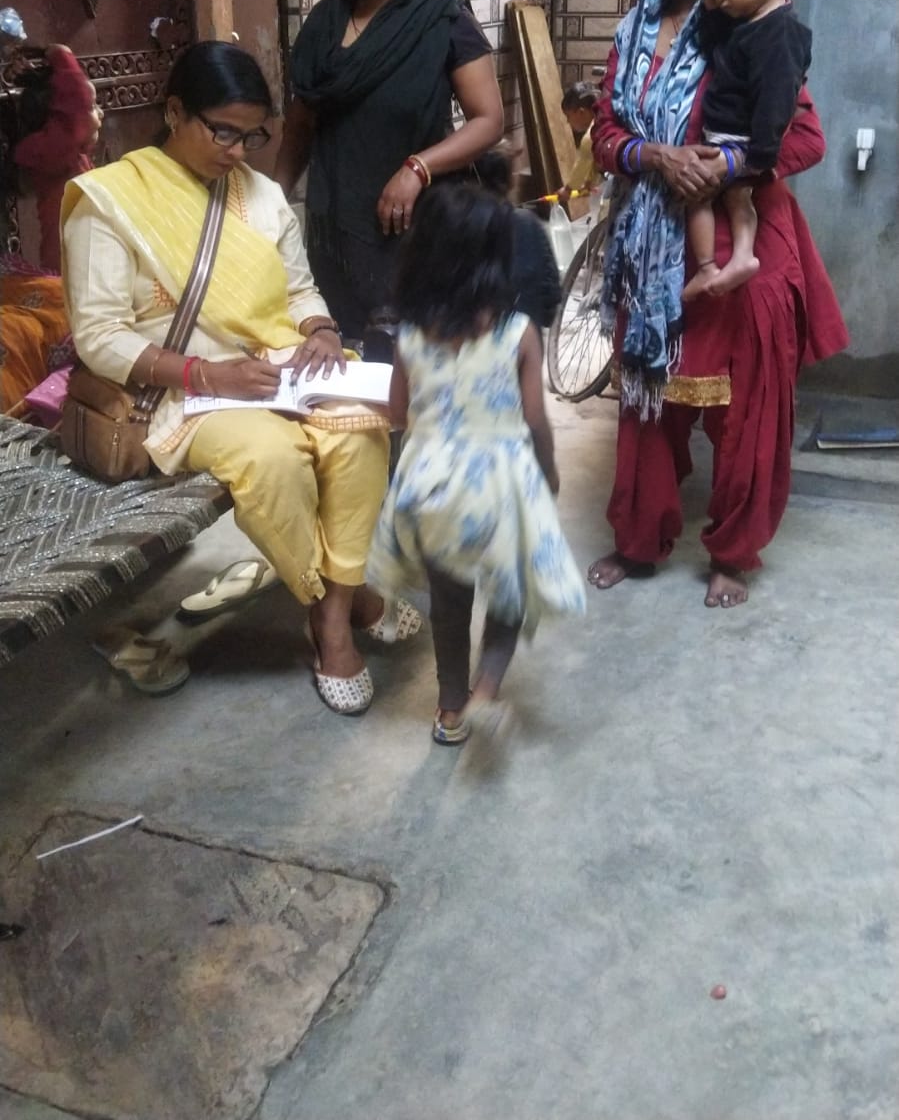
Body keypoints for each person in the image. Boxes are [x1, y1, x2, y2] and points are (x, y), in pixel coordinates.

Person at [61, 41, 411, 715]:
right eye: (222, 131)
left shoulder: (262, 194)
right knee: (274, 458)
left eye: (252, 136)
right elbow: (99, 336)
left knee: (360, 431)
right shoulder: (110, 201)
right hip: (182, 392)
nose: (237, 151)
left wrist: (321, 331)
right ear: (174, 112)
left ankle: (334, 603)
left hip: (281, 367)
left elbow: (299, 290)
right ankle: (337, 606)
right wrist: (207, 373)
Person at [591, 0, 847, 609]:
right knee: (646, 401)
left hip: (743, 246)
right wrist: (653, 155)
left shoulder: (748, 28)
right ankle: (638, 538)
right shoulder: (634, 33)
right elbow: (604, 134)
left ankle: (733, 550)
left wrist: (724, 165)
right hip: (652, 245)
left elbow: (806, 138)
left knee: (746, 412)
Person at [366, 183, 586, 746]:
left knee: (448, 605)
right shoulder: (519, 334)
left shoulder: (409, 335)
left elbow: (397, 413)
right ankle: (486, 690)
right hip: (501, 487)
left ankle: (449, 709)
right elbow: (535, 419)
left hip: (433, 490)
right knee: (511, 593)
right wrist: (548, 472)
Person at [274, 0, 504, 339]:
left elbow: (489, 120)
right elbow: (301, 125)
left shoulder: (443, 18)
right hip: (337, 232)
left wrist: (418, 168)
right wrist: (270, 205)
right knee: (348, 359)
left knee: (417, 359)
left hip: (416, 230)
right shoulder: (324, 25)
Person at [682, 0, 812, 301]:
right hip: (727, 138)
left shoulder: (780, 34)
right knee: (733, 200)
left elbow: (777, 101)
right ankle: (734, 261)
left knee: (703, 196)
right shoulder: (746, 23)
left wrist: (758, 157)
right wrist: (710, 10)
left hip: (740, 143)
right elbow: (712, 46)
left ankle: (716, 264)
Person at [13, 44, 104, 269]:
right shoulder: (55, 151)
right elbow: (78, 103)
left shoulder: (72, 156)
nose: (101, 113)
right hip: (69, 270)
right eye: (93, 106)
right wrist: (58, 53)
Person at [474, 144, 561, 330]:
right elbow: (550, 300)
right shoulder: (528, 225)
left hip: (473, 339)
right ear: (511, 180)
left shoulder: (460, 225)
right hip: (524, 337)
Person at [556, 81, 599, 206]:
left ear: (581, 112)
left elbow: (583, 163)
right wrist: (590, 182)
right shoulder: (602, 119)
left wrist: (568, 190)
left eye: (568, 116)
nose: (568, 122)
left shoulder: (591, 136)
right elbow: (595, 158)